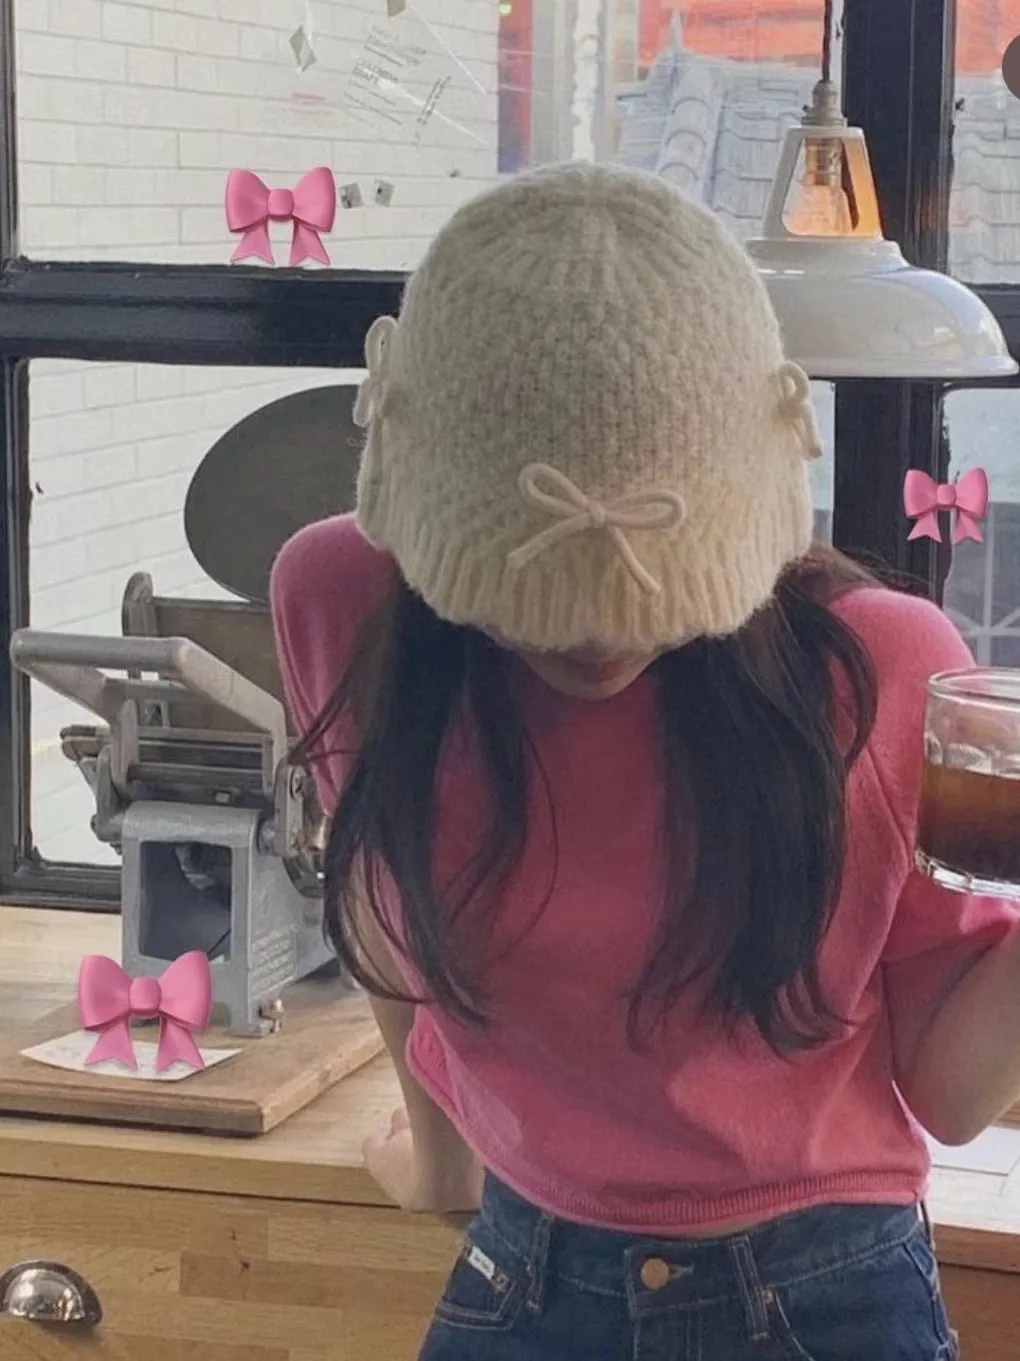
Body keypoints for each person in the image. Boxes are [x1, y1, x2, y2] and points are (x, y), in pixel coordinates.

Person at [270, 162, 1018, 1361]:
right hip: (521, 1260)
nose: (598, 643)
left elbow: (952, 1091)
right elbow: (384, 893)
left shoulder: (880, 663)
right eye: (531, 603)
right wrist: (444, 1156)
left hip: (823, 1288)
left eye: (657, 601)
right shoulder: (338, 599)